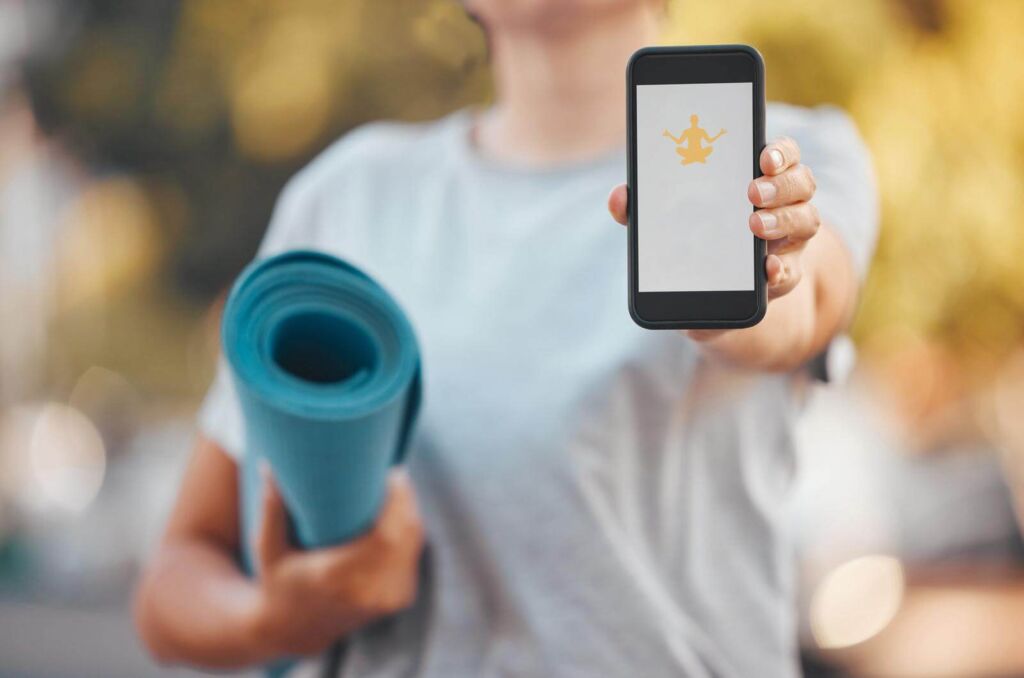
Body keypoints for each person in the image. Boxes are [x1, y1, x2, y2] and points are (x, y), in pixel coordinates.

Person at [134, 1, 877, 676]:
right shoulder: (346, 197)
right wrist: (277, 619)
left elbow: (800, 306)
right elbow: (174, 580)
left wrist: (742, 294)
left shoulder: (793, 158)